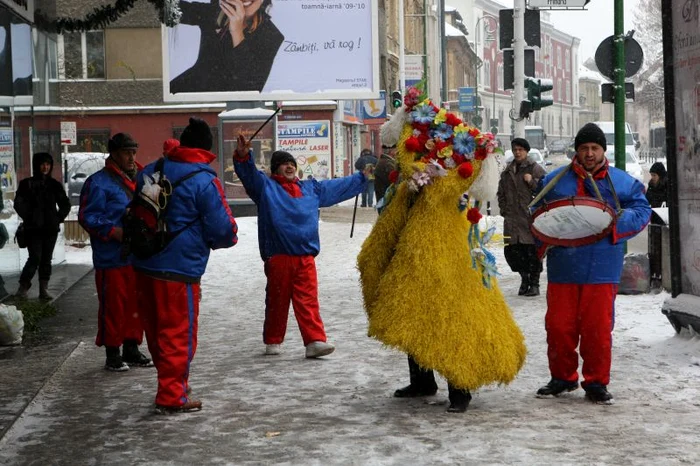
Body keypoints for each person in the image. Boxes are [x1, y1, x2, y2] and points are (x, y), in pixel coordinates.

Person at [533, 122, 651, 404]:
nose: (589, 153)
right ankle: (563, 377)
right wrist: (542, 241)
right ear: (577, 150)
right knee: (559, 327)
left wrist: (612, 223)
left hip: (602, 268)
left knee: (597, 329)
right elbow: (537, 213)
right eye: (584, 148)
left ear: (603, 150)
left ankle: (596, 381)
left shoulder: (622, 182)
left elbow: (642, 209)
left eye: (594, 148)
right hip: (563, 266)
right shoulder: (554, 180)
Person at [133, 118, 239, 413]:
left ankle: (172, 381)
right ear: (205, 148)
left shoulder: (151, 169)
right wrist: (229, 236)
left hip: (143, 262)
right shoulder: (203, 179)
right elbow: (222, 230)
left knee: (155, 330)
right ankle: (171, 395)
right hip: (178, 269)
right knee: (178, 332)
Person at [233, 134, 370, 358]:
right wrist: (242, 156)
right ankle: (273, 340)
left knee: (308, 299)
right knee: (277, 300)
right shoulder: (265, 188)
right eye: (284, 164)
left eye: (292, 164)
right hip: (279, 256)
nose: (289, 167)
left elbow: (336, 187)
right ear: (275, 170)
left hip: (305, 256)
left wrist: (360, 179)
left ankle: (315, 340)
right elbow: (248, 175)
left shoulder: (311, 189)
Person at [78, 133, 153, 372]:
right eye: (126, 152)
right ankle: (113, 352)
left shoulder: (142, 180)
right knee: (114, 305)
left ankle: (131, 348)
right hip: (112, 257)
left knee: (135, 304)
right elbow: (87, 217)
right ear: (114, 154)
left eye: (134, 152)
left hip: (137, 255)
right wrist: (113, 231)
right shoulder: (98, 183)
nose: (131, 157)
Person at [170, 0, 284, 93]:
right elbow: (167, 9)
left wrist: (237, 31)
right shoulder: (215, 13)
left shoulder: (271, 35)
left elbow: (250, 89)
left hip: (225, 110)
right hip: (188, 92)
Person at [13, 152, 71, 300]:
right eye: (42, 164)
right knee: (35, 258)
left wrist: (57, 218)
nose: (45, 167)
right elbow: (18, 203)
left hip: (50, 229)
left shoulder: (54, 185)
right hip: (33, 229)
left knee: (46, 259)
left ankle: (43, 290)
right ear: (36, 165)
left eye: (48, 164)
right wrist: (30, 217)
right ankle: (23, 287)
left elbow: (65, 204)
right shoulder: (27, 184)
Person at [497, 138, 546, 296]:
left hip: (529, 219)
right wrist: (504, 210)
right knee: (513, 253)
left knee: (532, 252)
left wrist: (532, 181)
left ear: (526, 151)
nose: (517, 152)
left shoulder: (534, 168)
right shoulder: (507, 171)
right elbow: (501, 193)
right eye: (515, 149)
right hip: (512, 219)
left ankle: (534, 283)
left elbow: (546, 189)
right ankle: (524, 279)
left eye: (521, 149)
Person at [645, 161, 668, 288]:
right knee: (655, 250)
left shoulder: (667, 185)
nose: (652, 178)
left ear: (660, 175)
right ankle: (656, 275)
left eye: (654, 175)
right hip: (655, 222)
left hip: (665, 223)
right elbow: (646, 199)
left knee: (664, 250)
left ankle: (663, 275)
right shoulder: (652, 186)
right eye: (651, 175)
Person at [373, 144, 397, 213]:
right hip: (386, 202)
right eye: (396, 149)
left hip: (384, 200)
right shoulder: (387, 163)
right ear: (391, 151)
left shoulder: (384, 161)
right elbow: (394, 180)